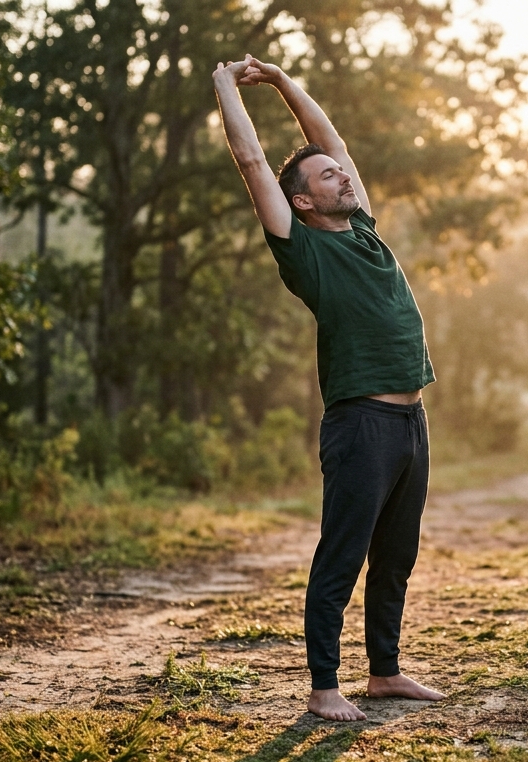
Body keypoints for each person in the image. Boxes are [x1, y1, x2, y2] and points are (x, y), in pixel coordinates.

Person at [212, 55, 444, 722]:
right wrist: (227, 84)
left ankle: (386, 673)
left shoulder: (364, 229)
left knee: (396, 555)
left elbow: (331, 140)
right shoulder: (303, 249)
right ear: (302, 202)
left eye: (339, 170)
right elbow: (255, 163)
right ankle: (323, 688)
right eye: (324, 176)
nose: (340, 172)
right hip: (361, 424)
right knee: (342, 555)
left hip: (410, 420)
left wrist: (285, 83)